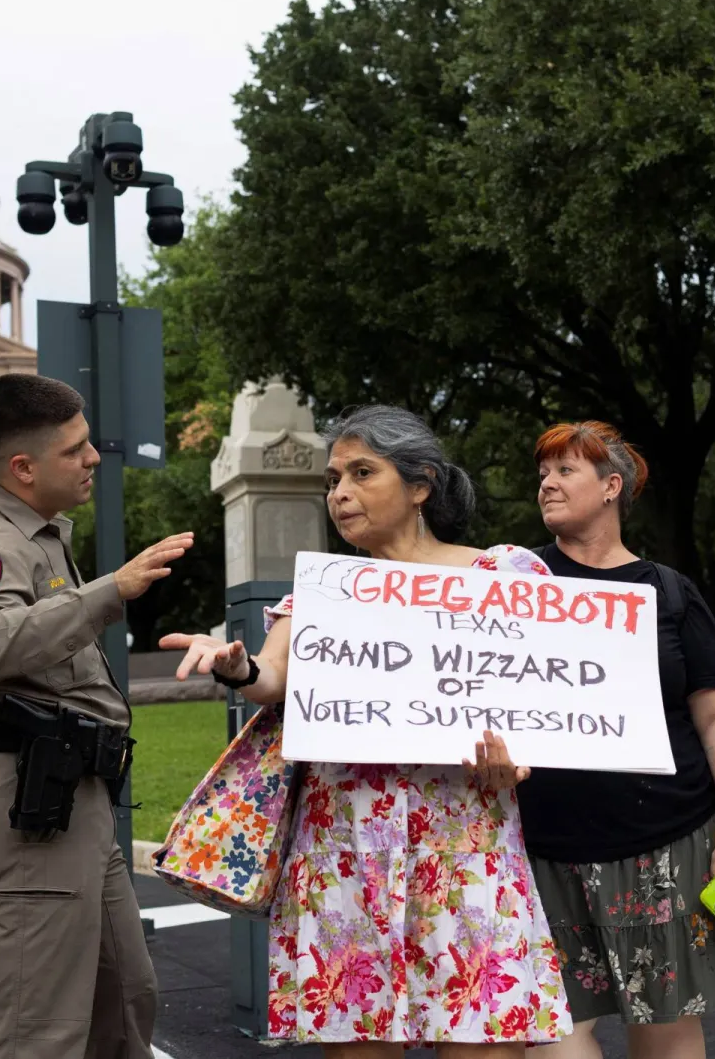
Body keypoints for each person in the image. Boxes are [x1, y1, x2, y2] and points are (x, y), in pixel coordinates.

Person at [161, 405, 571, 1058]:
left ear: (420, 484)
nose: (340, 493)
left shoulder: (505, 578)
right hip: (345, 852)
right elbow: (273, 674)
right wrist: (238, 667)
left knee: (485, 1037)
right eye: (333, 480)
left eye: (361, 473)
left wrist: (518, 760)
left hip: (468, 844)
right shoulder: (323, 589)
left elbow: (547, 701)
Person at [0, 373, 195, 1059]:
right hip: (30, 813)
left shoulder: (38, 535)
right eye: (74, 449)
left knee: (123, 1006)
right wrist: (112, 589)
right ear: (23, 467)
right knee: (34, 1033)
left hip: (72, 803)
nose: (92, 458)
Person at [521, 421, 715, 1059]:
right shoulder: (514, 583)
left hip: (664, 844)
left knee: (668, 1026)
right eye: (543, 473)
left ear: (612, 487)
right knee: (547, 1035)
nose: (547, 484)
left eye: (565, 470)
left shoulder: (668, 591)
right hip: (541, 850)